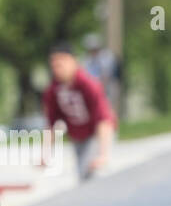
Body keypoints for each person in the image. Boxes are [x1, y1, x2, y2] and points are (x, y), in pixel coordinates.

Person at [42, 42, 117, 180]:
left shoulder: (88, 84)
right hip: (78, 138)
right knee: (83, 175)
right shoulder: (53, 90)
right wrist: (46, 153)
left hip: (96, 134)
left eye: (61, 63)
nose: (58, 68)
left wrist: (103, 154)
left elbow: (104, 119)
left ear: (73, 61)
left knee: (93, 176)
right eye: (54, 65)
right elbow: (51, 123)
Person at [82, 31, 121, 111]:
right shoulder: (86, 60)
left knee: (107, 106)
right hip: (92, 87)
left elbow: (108, 73)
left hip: (107, 86)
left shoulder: (107, 57)